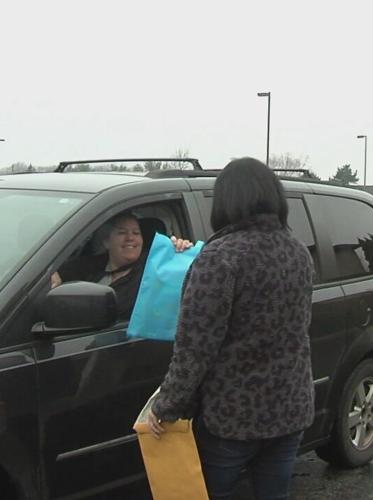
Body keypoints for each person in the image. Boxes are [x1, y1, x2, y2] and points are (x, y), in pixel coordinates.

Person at [146, 157, 315, 500]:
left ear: (226, 201)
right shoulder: (298, 252)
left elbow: (195, 346)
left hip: (233, 419)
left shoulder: (221, 256)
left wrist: (166, 405)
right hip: (290, 409)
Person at [51, 212, 191, 320]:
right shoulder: (91, 266)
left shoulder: (152, 267)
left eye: (136, 233)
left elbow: (180, 271)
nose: (130, 238)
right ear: (106, 241)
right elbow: (57, 271)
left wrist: (180, 250)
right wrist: (54, 274)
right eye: (122, 232)